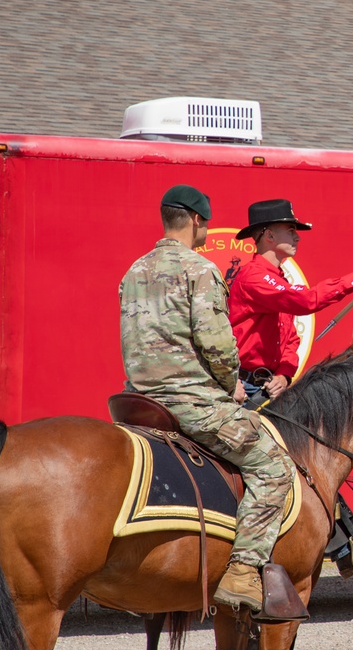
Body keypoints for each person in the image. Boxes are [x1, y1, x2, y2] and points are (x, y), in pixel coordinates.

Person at [118, 185, 296, 615]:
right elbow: (217, 345)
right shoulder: (199, 269)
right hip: (190, 403)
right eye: (207, 222)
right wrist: (230, 381)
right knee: (275, 468)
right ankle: (242, 571)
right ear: (197, 221)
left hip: (136, 400)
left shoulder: (134, 270)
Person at [227, 198, 353, 578]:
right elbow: (303, 303)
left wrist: (286, 373)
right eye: (291, 230)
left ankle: (342, 544)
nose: (297, 237)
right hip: (238, 386)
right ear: (268, 235)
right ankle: (341, 544)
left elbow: (289, 334)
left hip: (266, 387)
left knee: (312, 457)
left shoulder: (277, 278)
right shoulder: (256, 277)